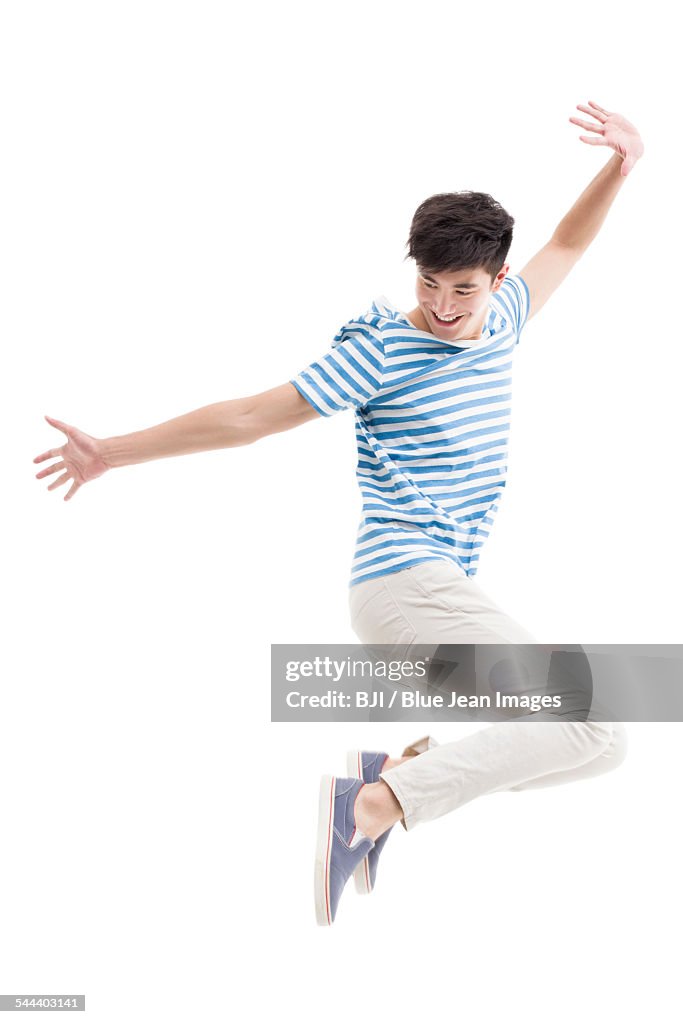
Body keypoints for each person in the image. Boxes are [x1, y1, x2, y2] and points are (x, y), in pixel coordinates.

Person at [34, 100, 643, 927]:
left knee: (601, 743)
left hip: (430, 596)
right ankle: (372, 803)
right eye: (428, 284)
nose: (443, 306)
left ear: (496, 281)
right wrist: (115, 450)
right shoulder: (383, 350)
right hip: (403, 585)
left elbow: (568, 241)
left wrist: (619, 164)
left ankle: (387, 774)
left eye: (461, 288)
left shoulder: (502, 318)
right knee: (582, 720)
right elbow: (251, 417)